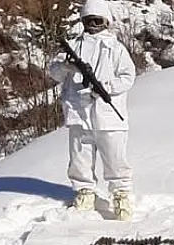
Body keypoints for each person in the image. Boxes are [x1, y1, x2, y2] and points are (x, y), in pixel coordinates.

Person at [48, 0, 137, 220]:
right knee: (80, 156)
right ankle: (84, 191)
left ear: (106, 21)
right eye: (89, 20)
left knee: (115, 157)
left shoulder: (116, 49)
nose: (94, 24)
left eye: (98, 20)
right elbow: (54, 72)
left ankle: (121, 195)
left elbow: (128, 77)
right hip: (80, 112)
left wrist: (105, 87)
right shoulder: (74, 46)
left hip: (108, 113)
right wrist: (66, 66)